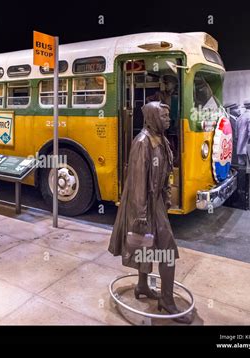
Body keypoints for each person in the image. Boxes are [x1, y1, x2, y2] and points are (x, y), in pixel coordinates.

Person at [108, 101, 192, 324]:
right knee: (167, 251)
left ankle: (143, 286)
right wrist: (141, 214)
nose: (168, 120)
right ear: (152, 117)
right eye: (163, 116)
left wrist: (165, 198)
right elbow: (137, 183)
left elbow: (164, 175)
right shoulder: (143, 142)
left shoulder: (161, 140)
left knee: (148, 245)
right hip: (143, 203)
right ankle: (166, 300)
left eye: (168, 116)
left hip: (155, 202)